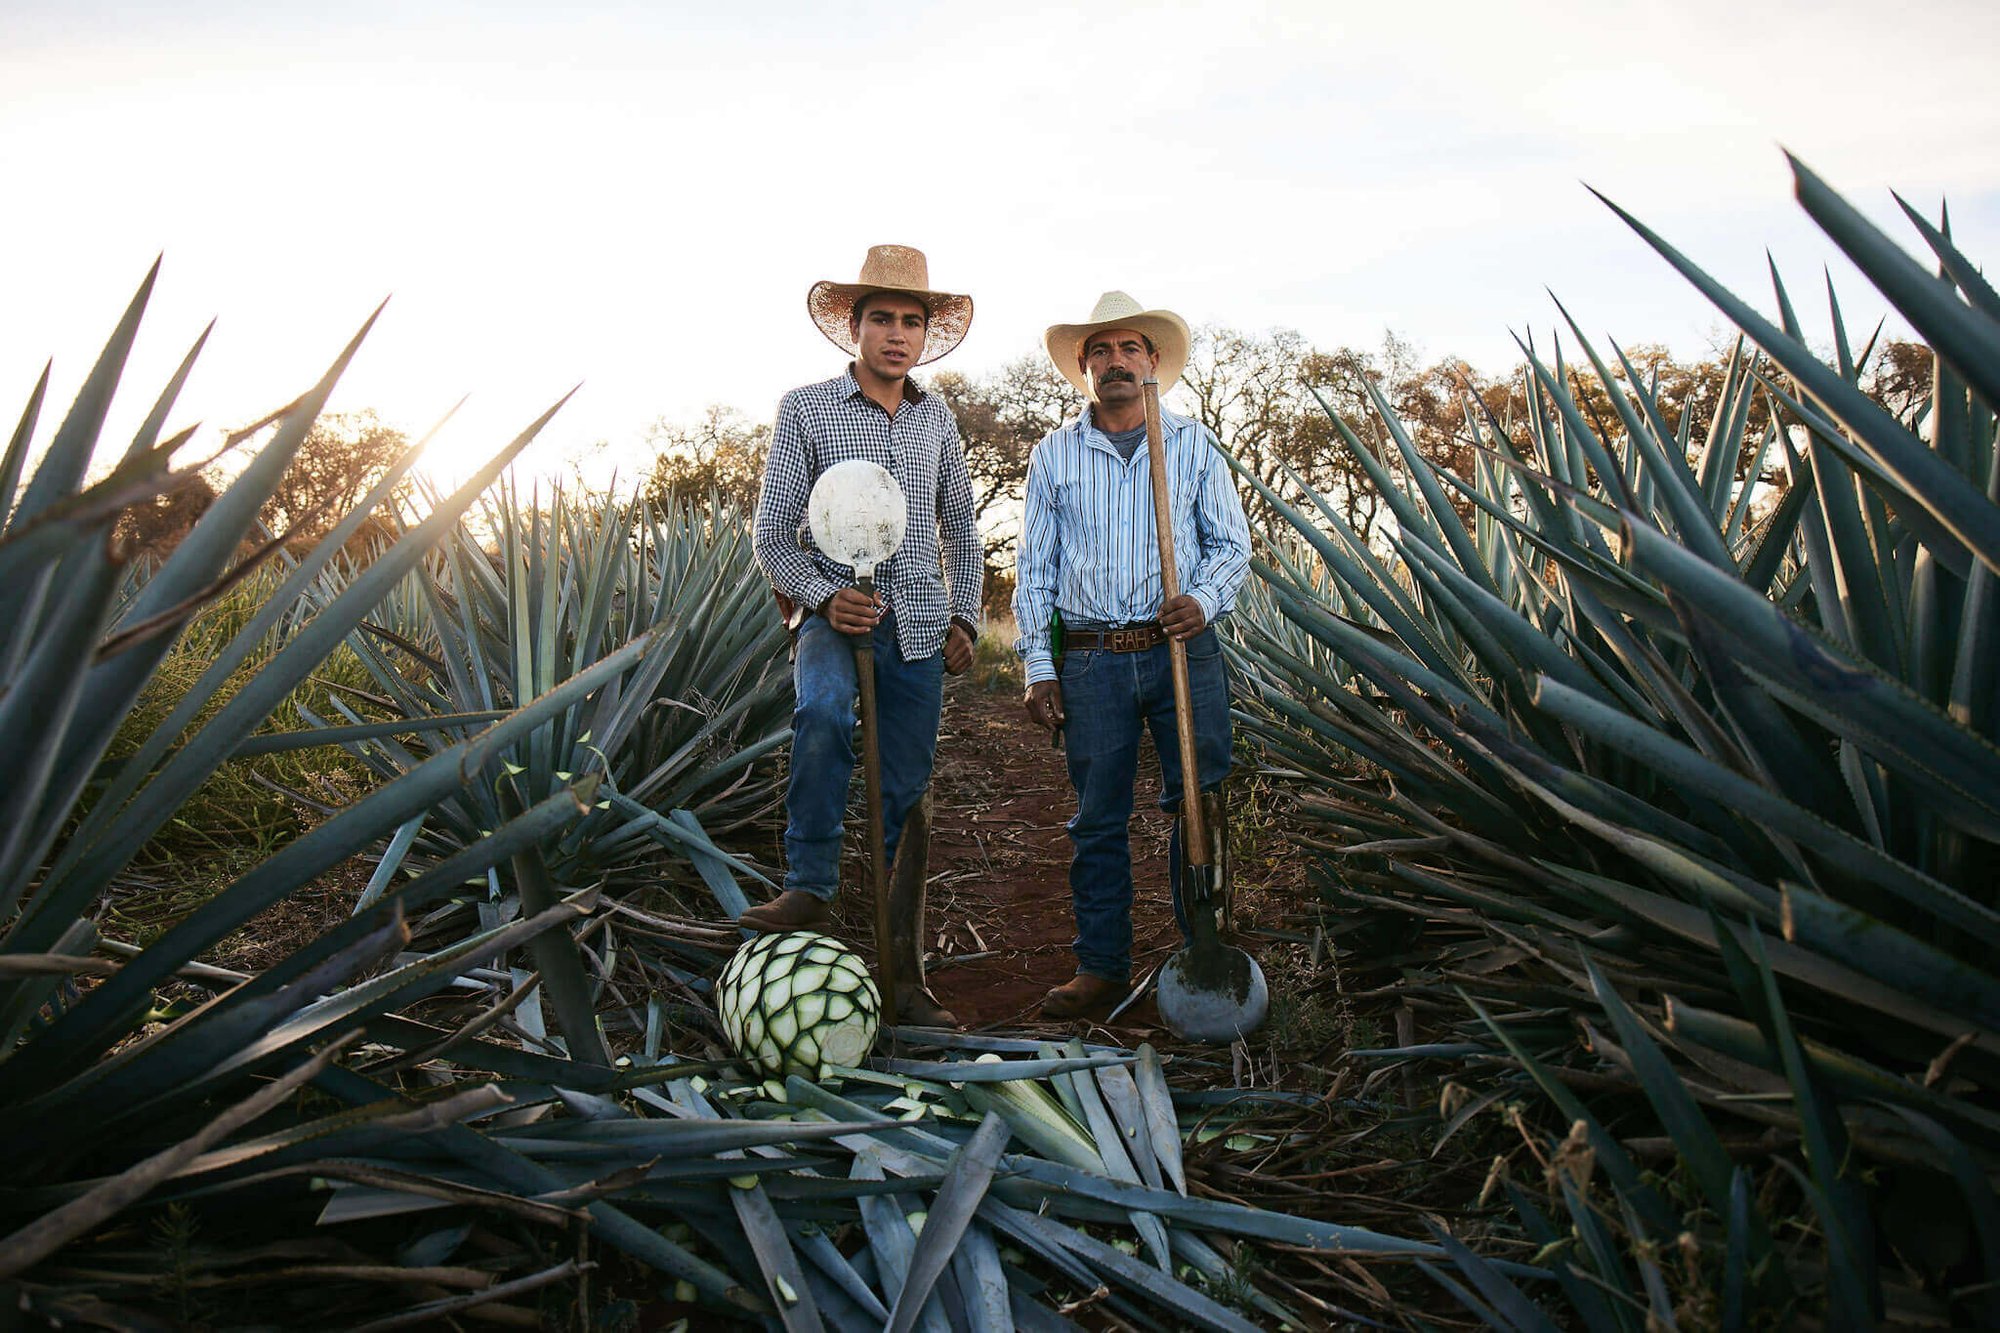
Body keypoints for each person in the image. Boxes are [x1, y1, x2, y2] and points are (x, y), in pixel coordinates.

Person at [746, 244, 981, 1028]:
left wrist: (965, 616)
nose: (896, 334)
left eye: (911, 321)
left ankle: (895, 967)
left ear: (924, 336)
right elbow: (773, 535)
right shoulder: (806, 409)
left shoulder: (936, 420)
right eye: (881, 317)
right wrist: (822, 594)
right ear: (855, 326)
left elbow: (965, 529)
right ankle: (810, 886)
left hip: (916, 623)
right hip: (833, 616)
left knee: (904, 790)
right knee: (820, 718)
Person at [1013, 291, 1252, 1020]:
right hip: (1091, 654)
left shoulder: (1192, 444)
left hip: (1182, 645)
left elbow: (1232, 547)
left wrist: (1202, 599)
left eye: (1130, 349)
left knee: (1198, 801)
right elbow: (1036, 571)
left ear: (1152, 363)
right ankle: (1102, 966)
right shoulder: (1053, 455)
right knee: (1097, 817)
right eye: (1101, 351)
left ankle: (1205, 942)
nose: (1116, 362)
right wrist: (1038, 664)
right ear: (1084, 368)